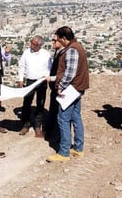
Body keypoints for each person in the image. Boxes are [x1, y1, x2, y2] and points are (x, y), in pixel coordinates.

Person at [47, 26, 89, 162]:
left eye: (59, 39)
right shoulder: (77, 46)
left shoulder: (71, 50)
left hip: (71, 89)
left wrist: (60, 87)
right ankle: (78, 148)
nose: (59, 42)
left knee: (63, 119)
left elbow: (69, 73)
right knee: (76, 117)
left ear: (64, 38)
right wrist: (53, 79)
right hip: (77, 87)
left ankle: (64, 152)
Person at [17, 35, 51, 137]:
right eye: (31, 43)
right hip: (30, 81)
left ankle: (37, 126)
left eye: (34, 44)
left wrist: (47, 77)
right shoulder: (26, 53)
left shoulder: (46, 54)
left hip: (41, 81)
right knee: (27, 102)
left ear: (39, 45)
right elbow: (21, 66)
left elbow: (50, 67)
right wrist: (20, 79)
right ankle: (25, 124)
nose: (32, 45)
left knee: (40, 104)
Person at [44, 34, 64, 140]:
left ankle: (53, 132)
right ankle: (51, 130)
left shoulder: (62, 54)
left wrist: (51, 79)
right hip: (55, 86)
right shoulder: (58, 52)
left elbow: (61, 72)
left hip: (59, 86)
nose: (52, 42)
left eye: (54, 41)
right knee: (53, 108)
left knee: (57, 110)